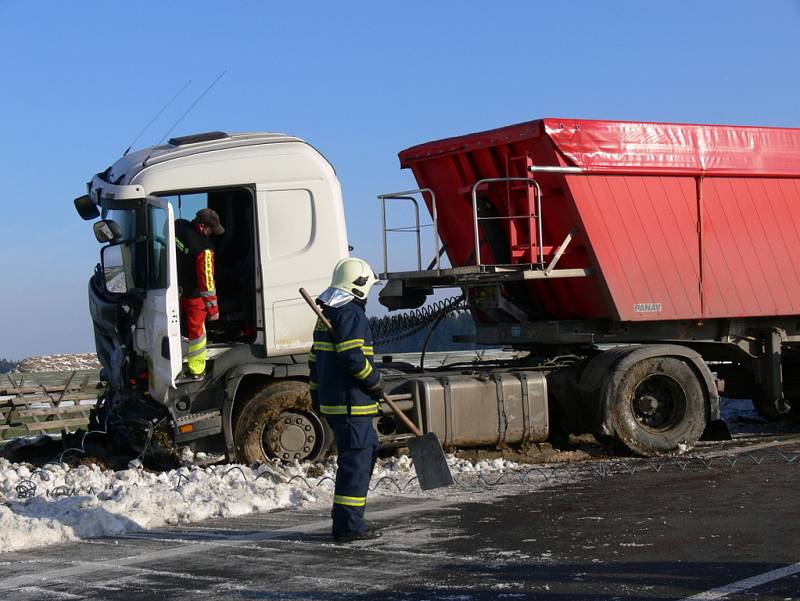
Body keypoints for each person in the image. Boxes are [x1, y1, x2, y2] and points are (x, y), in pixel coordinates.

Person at [308, 257, 384, 543]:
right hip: (352, 402)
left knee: (362, 454)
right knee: (357, 461)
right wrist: (374, 380)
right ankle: (349, 526)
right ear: (360, 285)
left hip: (336, 401)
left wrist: (316, 393)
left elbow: (314, 359)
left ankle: (349, 518)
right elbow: (354, 359)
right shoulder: (351, 314)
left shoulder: (328, 313)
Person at [175, 208, 225, 379]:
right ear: (202, 226)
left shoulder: (179, 226)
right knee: (197, 333)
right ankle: (197, 369)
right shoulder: (204, 249)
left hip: (177, 290)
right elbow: (207, 281)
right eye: (211, 230)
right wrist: (213, 310)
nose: (212, 234)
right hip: (194, 297)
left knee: (181, 328)